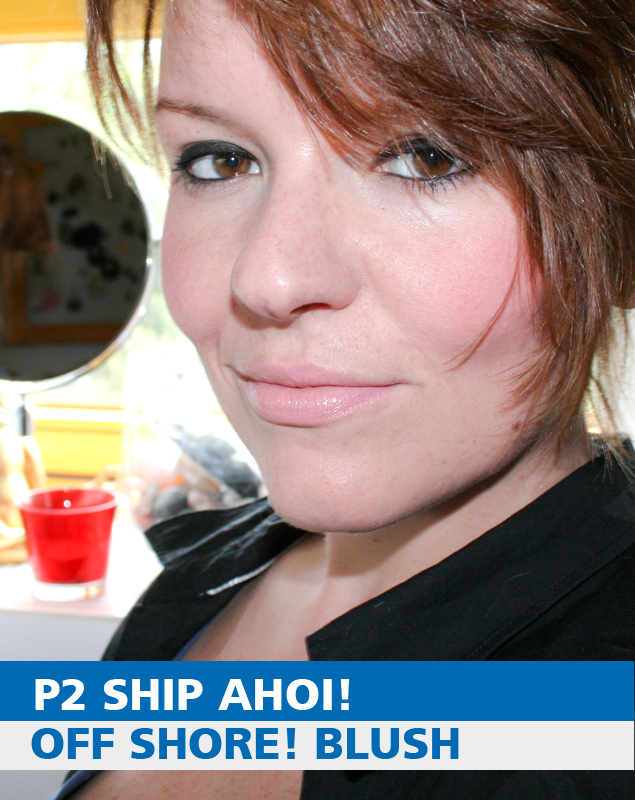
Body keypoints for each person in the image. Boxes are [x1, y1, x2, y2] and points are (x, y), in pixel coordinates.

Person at [55, 0, 635, 797]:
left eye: (426, 158)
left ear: (616, 225)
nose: (268, 278)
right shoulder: (199, 583)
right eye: (220, 160)